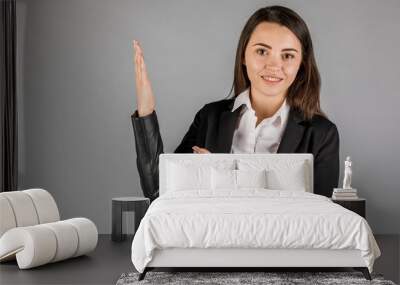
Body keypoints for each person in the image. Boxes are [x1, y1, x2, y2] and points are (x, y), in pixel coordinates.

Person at [131, 5, 339, 202]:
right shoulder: (210, 118)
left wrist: (221, 173)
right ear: (243, 56)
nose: (274, 65)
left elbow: (319, 216)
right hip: (210, 238)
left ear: (301, 64)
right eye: (262, 51)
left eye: (288, 55)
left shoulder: (321, 134)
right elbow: (161, 193)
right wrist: (146, 110)